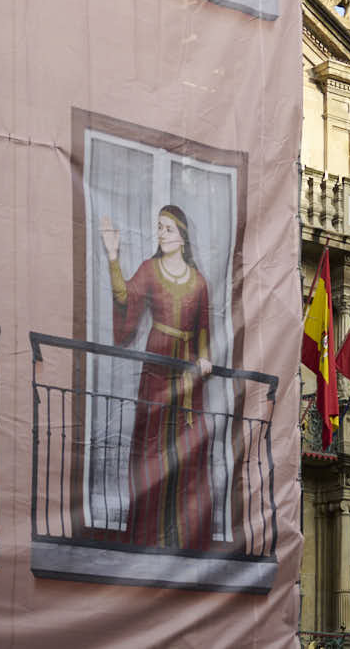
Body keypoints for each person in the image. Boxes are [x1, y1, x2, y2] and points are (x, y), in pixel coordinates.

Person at [99, 204, 213, 549]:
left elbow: (204, 330)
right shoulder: (150, 270)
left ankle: (180, 538)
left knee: (185, 453)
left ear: (181, 236)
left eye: (167, 228)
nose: (160, 234)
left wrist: (205, 360)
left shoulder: (199, 282)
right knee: (153, 449)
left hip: (188, 378)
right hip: (158, 364)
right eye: (159, 228)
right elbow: (125, 297)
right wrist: (113, 256)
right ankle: (148, 537)